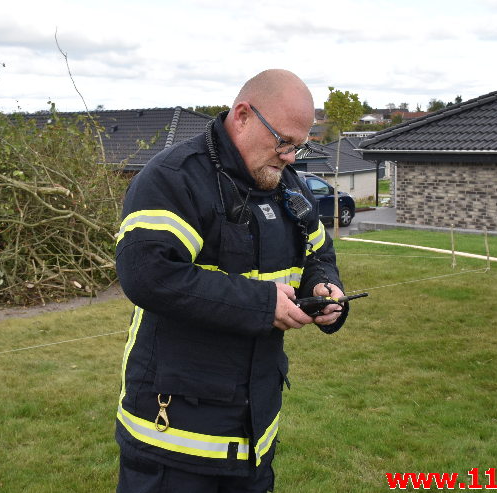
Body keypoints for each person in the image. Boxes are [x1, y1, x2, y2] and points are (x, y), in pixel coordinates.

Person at [114, 69, 349, 492]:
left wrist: (323, 288)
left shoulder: (288, 186)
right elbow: (149, 274)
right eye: (284, 142)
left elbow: (319, 253)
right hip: (173, 441)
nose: (292, 157)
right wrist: (263, 304)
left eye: (301, 145)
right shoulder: (174, 178)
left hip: (253, 440)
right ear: (242, 115)